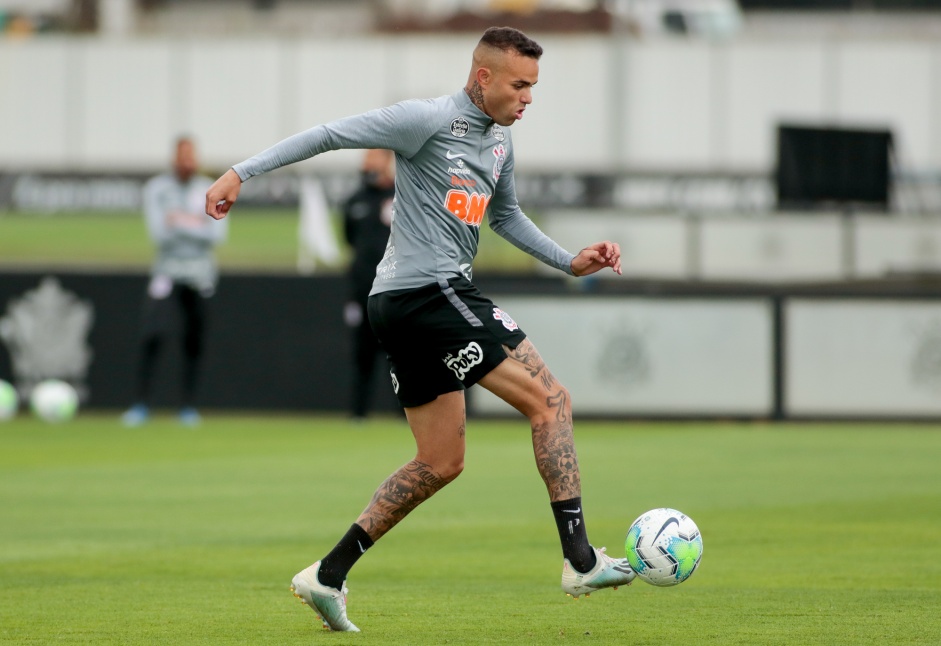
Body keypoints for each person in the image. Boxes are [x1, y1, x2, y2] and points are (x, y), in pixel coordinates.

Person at [205, 26, 630, 633]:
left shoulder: (500, 144)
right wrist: (238, 174)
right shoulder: (425, 119)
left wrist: (569, 261)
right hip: (428, 294)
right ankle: (581, 561)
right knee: (552, 401)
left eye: (534, 86)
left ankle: (327, 575)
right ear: (483, 78)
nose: (529, 97)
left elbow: (504, 215)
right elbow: (330, 135)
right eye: (520, 84)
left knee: (441, 460)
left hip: (407, 304)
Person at [122, 136, 228, 428]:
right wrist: (196, 223)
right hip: (166, 272)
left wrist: (179, 221)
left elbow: (216, 236)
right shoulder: (157, 188)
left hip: (201, 274)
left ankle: (188, 407)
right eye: (182, 156)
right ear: (174, 159)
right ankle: (141, 405)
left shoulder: (210, 187)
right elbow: (160, 234)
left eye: (191, 156)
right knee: (153, 334)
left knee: (193, 340)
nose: (186, 162)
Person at [342, 149, 396, 420]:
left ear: (387, 161)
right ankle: (358, 415)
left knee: (400, 355)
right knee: (362, 354)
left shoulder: (402, 196)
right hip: (363, 290)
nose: (368, 165)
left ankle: (406, 415)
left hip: (395, 291)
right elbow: (350, 240)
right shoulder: (354, 200)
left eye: (374, 159)